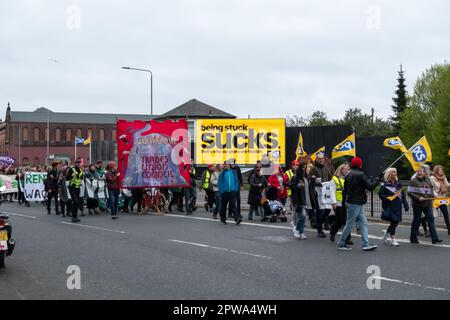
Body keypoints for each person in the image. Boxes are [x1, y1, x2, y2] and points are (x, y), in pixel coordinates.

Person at [337, 157, 379, 251]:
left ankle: (365, 244)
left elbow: (345, 190)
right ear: (360, 164)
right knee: (350, 224)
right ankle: (341, 243)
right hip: (356, 202)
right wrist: (378, 179)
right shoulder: (361, 174)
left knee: (363, 223)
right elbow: (370, 187)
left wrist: (344, 202)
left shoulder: (348, 174)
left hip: (352, 202)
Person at [408, 166, 442, 244]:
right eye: (418, 171)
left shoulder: (428, 179)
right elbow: (410, 192)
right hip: (417, 204)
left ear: (424, 172)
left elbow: (430, 190)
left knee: (431, 220)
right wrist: (418, 197)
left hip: (428, 203)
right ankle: (413, 238)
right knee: (416, 221)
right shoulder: (413, 181)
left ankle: (435, 238)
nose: (419, 173)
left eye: (421, 171)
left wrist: (433, 197)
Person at [379, 168, 409, 247]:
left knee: (395, 222)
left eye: (395, 172)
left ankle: (386, 233)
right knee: (393, 222)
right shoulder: (384, 184)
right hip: (389, 205)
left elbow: (402, 196)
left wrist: (405, 205)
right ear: (389, 174)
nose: (395, 173)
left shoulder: (398, 183)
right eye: (393, 172)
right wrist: (388, 197)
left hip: (397, 205)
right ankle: (393, 239)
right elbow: (381, 195)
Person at [329, 163, 352, 244]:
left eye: (347, 169)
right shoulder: (334, 179)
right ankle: (333, 232)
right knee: (342, 220)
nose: (346, 170)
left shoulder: (349, 178)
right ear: (340, 170)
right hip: (338, 203)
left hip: (347, 202)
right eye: (344, 169)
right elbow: (332, 191)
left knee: (347, 220)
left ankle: (347, 238)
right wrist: (333, 202)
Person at [311, 154, 333, 237]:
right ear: (316, 159)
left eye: (322, 158)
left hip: (326, 191)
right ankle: (319, 231)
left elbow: (330, 177)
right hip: (318, 192)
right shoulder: (313, 168)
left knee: (327, 209)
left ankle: (319, 223)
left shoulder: (326, 167)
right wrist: (315, 181)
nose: (321, 160)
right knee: (319, 211)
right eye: (319, 159)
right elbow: (311, 178)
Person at [290, 164, 308, 240]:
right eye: (303, 168)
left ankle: (301, 232)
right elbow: (291, 186)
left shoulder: (306, 178)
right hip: (299, 200)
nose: (304, 169)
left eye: (305, 168)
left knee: (304, 217)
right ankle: (297, 229)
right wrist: (297, 186)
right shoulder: (295, 177)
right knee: (302, 215)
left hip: (306, 199)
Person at [430, 165, 450, 235]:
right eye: (440, 169)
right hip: (435, 199)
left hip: (442, 198)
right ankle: (431, 229)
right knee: (433, 215)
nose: (442, 170)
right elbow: (431, 189)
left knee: (445, 213)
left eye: (442, 169)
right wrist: (436, 196)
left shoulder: (443, 177)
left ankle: (449, 228)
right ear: (436, 171)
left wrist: (445, 181)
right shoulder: (432, 178)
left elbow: (447, 185)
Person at [66, 158, 84, 223]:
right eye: (77, 163)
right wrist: (71, 176)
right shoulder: (72, 169)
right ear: (75, 163)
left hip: (77, 188)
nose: (79, 164)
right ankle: (73, 217)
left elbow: (81, 178)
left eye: (79, 163)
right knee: (75, 202)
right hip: (72, 188)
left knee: (77, 202)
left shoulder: (80, 170)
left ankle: (75, 216)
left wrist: (82, 175)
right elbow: (67, 178)